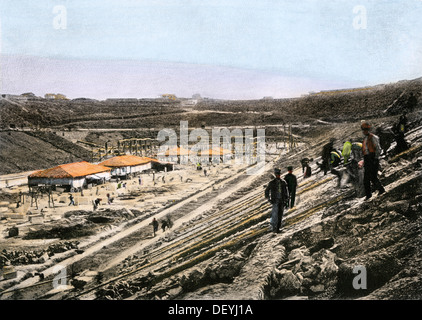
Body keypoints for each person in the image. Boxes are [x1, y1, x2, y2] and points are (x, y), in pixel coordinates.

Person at [361, 121, 385, 200]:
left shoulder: (373, 137)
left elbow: (378, 148)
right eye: (363, 130)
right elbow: (365, 151)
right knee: (366, 178)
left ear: (369, 129)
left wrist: (376, 158)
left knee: (373, 176)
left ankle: (381, 190)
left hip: (373, 158)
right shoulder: (364, 139)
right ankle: (368, 195)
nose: (364, 131)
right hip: (367, 159)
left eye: (366, 129)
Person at [265, 168, 289, 233]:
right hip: (275, 201)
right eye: (277, 174)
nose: (278, 175)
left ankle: (277, 229)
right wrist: (269, 199)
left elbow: (286, 192)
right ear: (275, 175)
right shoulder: (272, 183)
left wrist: (286, 199)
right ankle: (274, 228)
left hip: (282, 201)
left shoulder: (283, 182)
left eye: (279, 174)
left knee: (280, 215)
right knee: (275, 215)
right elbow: (267, 191)